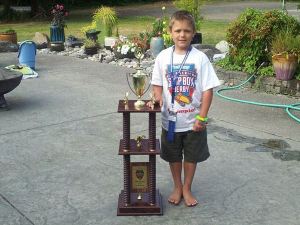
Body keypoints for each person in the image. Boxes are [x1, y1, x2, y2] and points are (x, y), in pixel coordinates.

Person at [149, 10, 220, 207]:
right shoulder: (163, 57)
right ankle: (177, 186)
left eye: (187, 31)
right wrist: (157, 98)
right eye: (178, 30)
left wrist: (202, 118)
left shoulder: (200, 58)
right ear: (170, 32)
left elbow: (208, 90)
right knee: (173, 156)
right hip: (169, 121)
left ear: (193, 33)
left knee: (191, 157)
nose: (182, 35)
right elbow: (157, 84)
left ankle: (187, 187)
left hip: (193, 121)